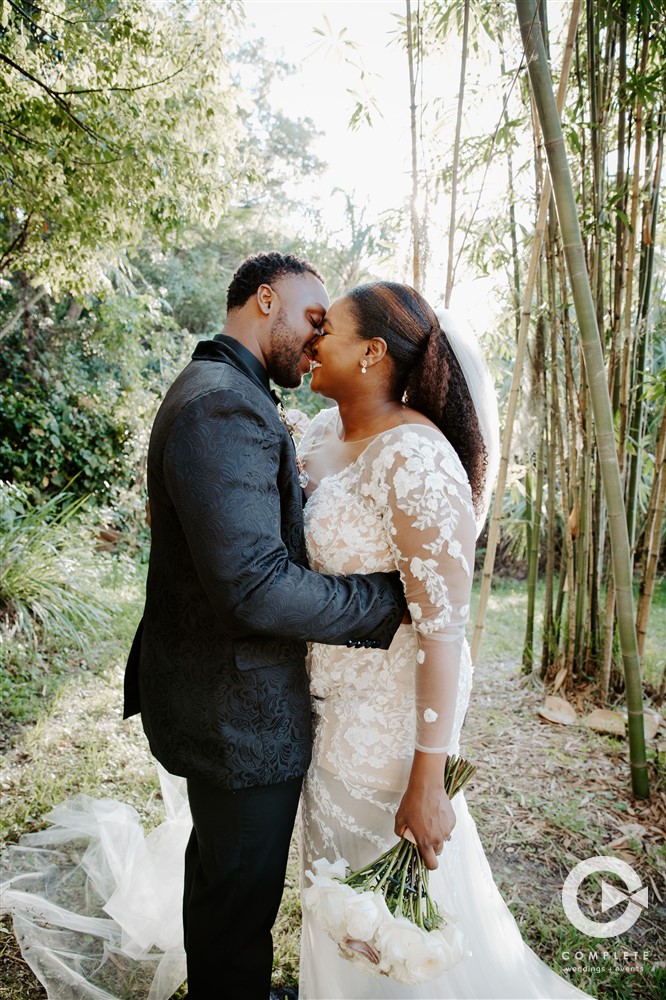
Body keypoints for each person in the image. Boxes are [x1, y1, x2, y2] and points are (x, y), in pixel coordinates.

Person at [1, 254, 406, 1000]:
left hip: (216, 693)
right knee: (238, 897)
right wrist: (385, 600)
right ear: (264, 300)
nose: (319, 340)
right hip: (239, 710)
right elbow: (255, 586)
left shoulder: (218, 389)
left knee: (223, 876)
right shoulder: (225, 404)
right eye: (314, 318)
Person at [296, 281, 590, 999]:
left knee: (387, 930)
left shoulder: (416, 458)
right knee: (334, 912)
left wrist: (430, 777)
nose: (310, 340)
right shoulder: (317, 435)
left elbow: (442, 630)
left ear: (371, 351)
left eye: (325, 329)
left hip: (389, 735)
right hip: (322, 708)